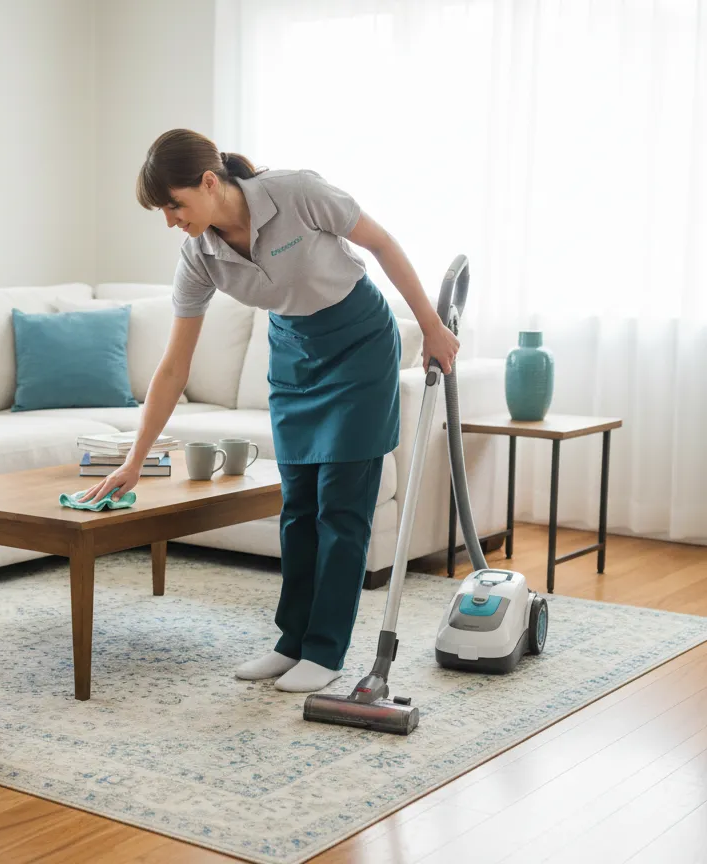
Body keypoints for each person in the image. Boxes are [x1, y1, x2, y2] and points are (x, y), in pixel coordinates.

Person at [76, 129, 460, 693]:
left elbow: (381, 244)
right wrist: (135, 459)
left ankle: (326, 651)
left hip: (357, 344)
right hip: (294, 355)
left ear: (210, 182)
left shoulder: (297, 192)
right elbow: (173, 367)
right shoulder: (199, 255)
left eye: (175, 204)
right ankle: (291, 643)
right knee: (298, 508)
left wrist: (431, 326)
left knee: (342, 508)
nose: (169, 220)